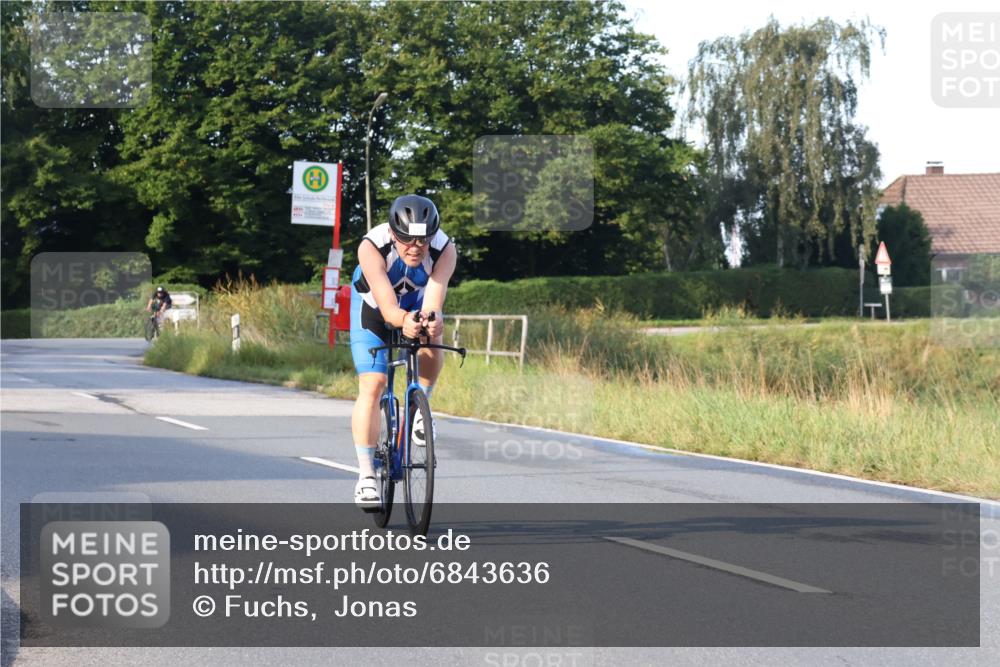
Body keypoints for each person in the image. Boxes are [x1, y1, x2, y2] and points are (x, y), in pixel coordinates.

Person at [349, 194, 457, 508]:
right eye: (407, 240)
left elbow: (434, 301)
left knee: (432, 332)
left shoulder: (445, 249)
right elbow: (386, 306)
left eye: (423, 241)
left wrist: (431, 321)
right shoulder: (371, 246)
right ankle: (367, 476)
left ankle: (420, 410)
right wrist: (402, 320)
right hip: (372, 312)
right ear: (393, 234)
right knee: (374, 385)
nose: (415, 247)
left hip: (416, 306)